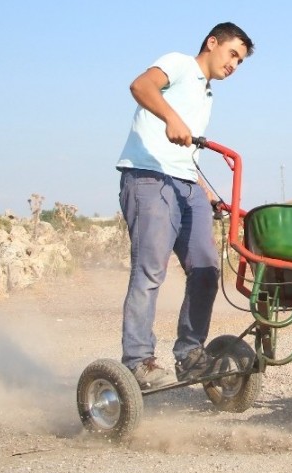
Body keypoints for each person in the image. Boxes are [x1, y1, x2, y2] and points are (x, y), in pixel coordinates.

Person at [115, 22, 255, 388]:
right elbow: (140, 85)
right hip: (148, 177)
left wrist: (206, 193)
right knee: (150, 271)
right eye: (232, 54)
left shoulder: (207, 95)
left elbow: (186, 155)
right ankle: (138, 360)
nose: (234, 66)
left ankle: (190, 353)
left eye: (240, 62)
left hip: (185, 183)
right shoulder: (179, 64)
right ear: (212, 43)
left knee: (207, 267)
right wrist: (171, 117)